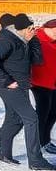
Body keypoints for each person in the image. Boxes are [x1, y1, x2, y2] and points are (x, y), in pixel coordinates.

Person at [0, 13, 56, 171]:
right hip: (9, 86)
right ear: (20, 29)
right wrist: (7, 81)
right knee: (31, 118)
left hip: (21, 85)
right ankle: (36, 161)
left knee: (15, 119)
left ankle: (0, 147)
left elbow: (38, 61)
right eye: (30, 28)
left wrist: (34, 40)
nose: (33, 31)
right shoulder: (7, 41)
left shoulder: (24, 41)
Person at [32, 19, 56, 155]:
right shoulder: (36, 40)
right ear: (46, 28)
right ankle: (38, 143)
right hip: (39, 82)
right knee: (43, 113)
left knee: (54, 112)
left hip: (53, 82)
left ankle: (45, 140)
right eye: (55, 30)